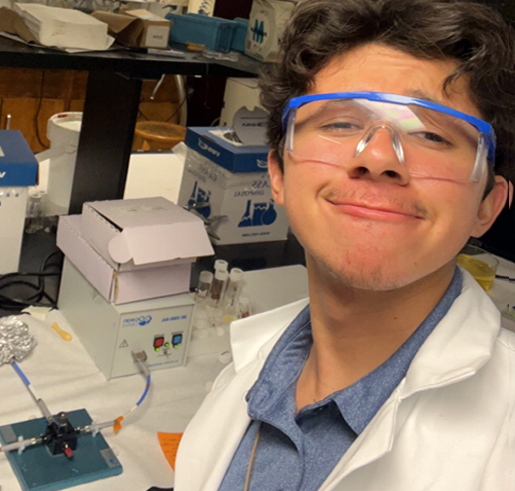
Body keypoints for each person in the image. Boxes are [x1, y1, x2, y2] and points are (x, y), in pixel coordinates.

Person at [174, 0, 515, 489]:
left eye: (432, 135)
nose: (377, 157)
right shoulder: (253, 372)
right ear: (277, 173)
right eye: (339, 124)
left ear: (487, 204)